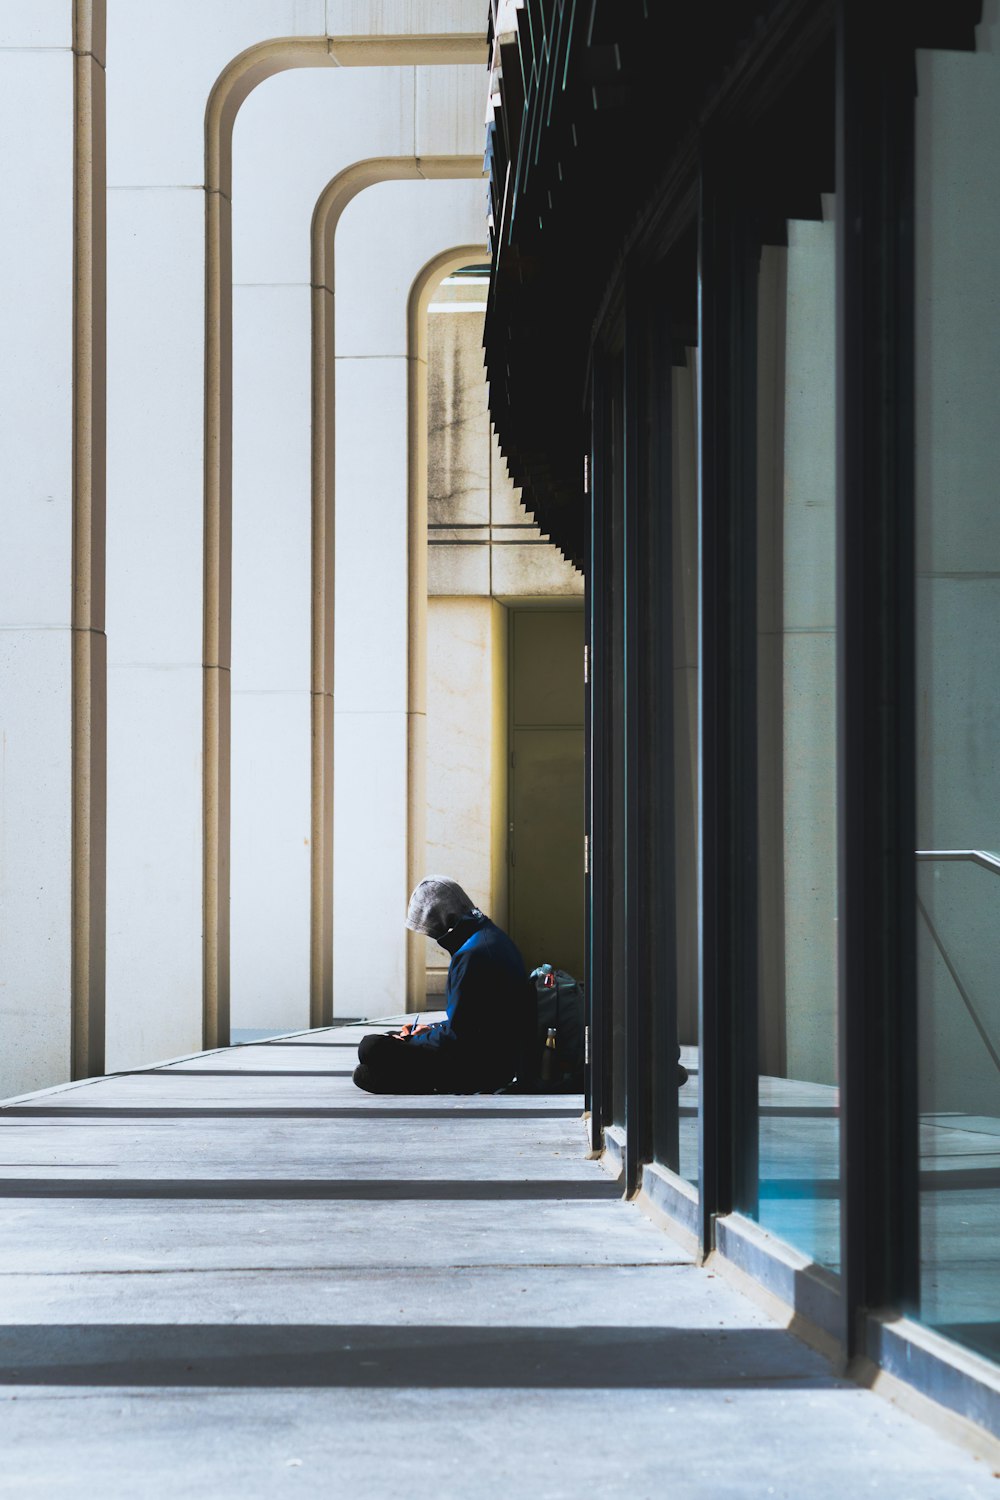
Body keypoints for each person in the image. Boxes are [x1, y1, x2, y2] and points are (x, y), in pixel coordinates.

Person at [352, 877, 530, 1094]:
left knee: (370, 1048)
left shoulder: (472, 956)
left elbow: (459, 1037)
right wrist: (428, 1031)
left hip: (480, 1068)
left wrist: (414, 1040)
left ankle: (423, 1080)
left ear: (443, 922)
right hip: (494, 1056)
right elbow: (471, 1020)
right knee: (386, 1043)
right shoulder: (488, 937)